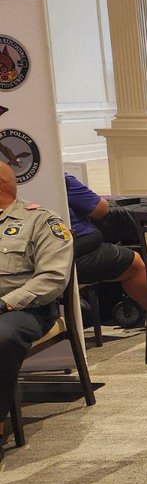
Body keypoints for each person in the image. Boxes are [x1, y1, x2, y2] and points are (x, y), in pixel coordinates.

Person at [0, 163, 73, 442]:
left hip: (24, 309)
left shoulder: (41, 221)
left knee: (2, 337)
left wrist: (5, 303)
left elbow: (52, 279)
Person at [66, 173, 147, 328]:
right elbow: (100, 209)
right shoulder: (60, 178)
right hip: (74, 253)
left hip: (54, 254)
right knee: (134, 262)